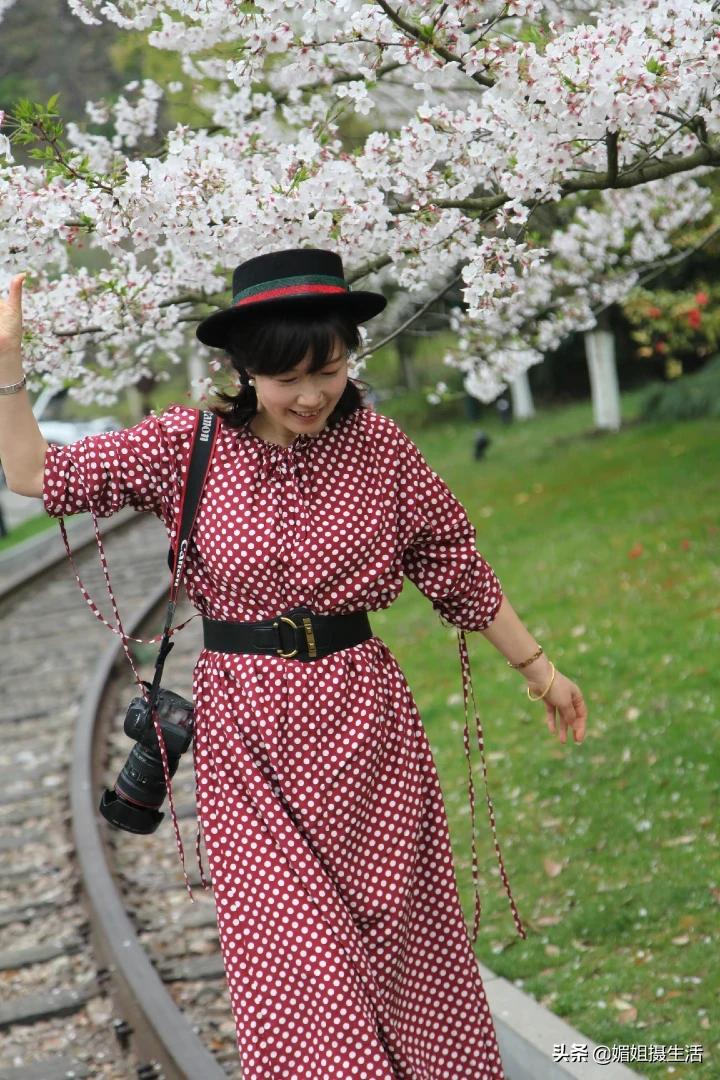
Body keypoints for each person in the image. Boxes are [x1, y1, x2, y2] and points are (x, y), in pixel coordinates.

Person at [0, 249, 587, 1080]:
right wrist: (7, 364)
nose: (312, 394)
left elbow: (452, 562)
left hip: (368, 730)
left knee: (407, 947)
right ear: (243, 370)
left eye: (331, 368)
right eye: (287, 377)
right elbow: (34, 473)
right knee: (297, 968)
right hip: (249, 737)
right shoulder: (185, 444)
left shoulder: (381, 451)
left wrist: (539, 669)